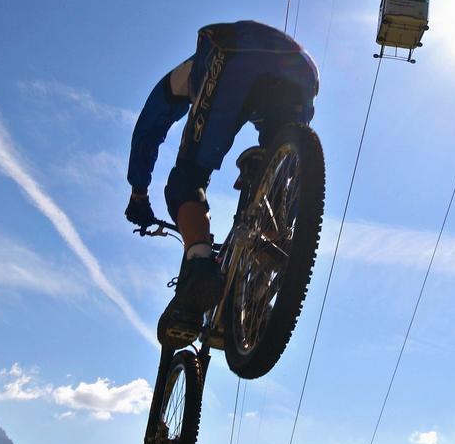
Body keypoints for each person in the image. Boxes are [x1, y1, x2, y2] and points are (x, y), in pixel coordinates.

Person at [125, 20, 319, 347]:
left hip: (232, 55)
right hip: (302, 72)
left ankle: (200, 263)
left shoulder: (182, 76)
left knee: (186, 180)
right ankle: (260, 282)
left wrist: (138, 193)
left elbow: (149, 129)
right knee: (280, 182)